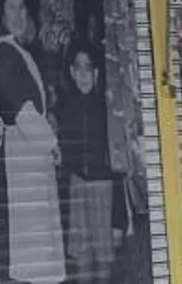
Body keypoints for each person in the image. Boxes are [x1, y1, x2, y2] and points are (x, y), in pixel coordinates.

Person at [0, 0, 65, 284]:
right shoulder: (5, 53)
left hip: (30, 149)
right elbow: (22, 111)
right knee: (34, 234)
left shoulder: (17, 49)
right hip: (25, 149)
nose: (18, 14)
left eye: (22, 7)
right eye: (11, 7)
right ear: (1, 13)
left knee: (38, 233)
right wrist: (52, 141)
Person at [56, 46, 119, 284]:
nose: (83, 73)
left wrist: (119, 221)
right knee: (80, 252)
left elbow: (119, 159)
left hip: (103, 185)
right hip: (76, 184)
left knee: (103, 255)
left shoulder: (107, 108)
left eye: (88, 67)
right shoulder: (64, 107)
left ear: (97, 73)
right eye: (78, 67)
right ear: (72, 72)